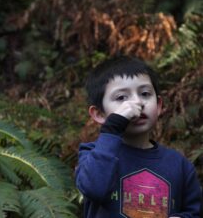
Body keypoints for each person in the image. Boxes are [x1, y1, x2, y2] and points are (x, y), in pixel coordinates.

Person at [75, 56, 202, 218]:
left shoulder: (179, 165)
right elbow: (94, 189)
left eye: (145, 94)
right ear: (99, 114)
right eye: (121, 98)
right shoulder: (93, 154)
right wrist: (113, 127)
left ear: (159, 105)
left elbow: (195, 211)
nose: (137, 102)